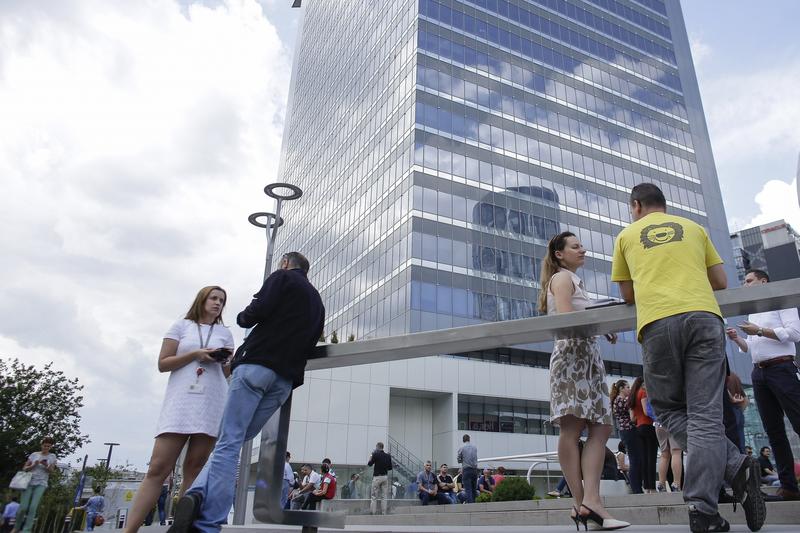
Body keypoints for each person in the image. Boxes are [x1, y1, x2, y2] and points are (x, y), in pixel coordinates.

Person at [611, 183, 763, 533]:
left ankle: (736, 467)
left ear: (636, 206)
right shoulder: (694, 229)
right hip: (704, 318)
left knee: (664, 409)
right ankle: (704, 507)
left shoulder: (626, 236)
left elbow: (628, 292)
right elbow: (721, 280)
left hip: (658, 323)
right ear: (665, 206)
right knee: (707, 416)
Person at [169, 252, 325, 533]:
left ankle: (207, 523)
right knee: (236, 441)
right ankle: (196, 495)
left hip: (257, 367)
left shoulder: (282, 277)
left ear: (286, 264)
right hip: (284, 382)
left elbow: (254, 313)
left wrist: (242, 316)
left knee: (228, 441)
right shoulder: (317, 302)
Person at [126, 286, 234, 533]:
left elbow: (226, 372)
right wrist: (196, 354)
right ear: (202, 299)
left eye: (222, 301)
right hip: (181, 401)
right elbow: (163, 363)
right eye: (214, 298)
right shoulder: (181, 326)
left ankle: (183, 527)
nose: (218, 304)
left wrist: (226, 360)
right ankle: (129, 529)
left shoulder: (224, 333)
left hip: (211, 400)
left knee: (195, 468)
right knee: (158, 467)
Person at [539, 232, 629, 530]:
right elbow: (568, 319)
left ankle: (588, 502)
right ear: (559, 254)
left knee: (600, 426)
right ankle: (585, 502)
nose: (583, 250)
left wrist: (601, 326)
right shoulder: (562, 279)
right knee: (573, 426)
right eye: (575, 246)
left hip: (587, 358)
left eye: (582, 245)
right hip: (572, 359)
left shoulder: (574, 281)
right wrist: (598, 323)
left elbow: (579, 316)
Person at [726, 268, 800, 501]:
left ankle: (789, 484)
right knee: (774, 432)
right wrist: (739, 339)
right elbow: (753, 347)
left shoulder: (781, 302)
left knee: (798, 422)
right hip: (760, 372)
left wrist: (758, 330)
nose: (746, 285)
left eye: (749, 281)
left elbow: (795, 333)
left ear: (763, 281)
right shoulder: (755, 310)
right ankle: (789, 486)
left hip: (782, 368)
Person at [13, 437, 58, 533]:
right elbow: (24, 468)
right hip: (28, 482)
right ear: (41, 445)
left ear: (51, 447)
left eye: (48, 446)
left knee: (33, 507)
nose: (46, 447)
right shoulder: (34, 455)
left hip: (41, 483)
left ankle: (26, 530)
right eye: (45, 445)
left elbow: (52, 471)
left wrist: (46, 465)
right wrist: (34, 465)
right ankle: (16, 527)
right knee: (23, 507)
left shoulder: (52, 456)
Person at [611, 379, 642, 493]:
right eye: (627, 387)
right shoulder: (622, 400)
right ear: (621, 389)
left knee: (634, 458)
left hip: (624, 431)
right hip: (629, 430)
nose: (630, 389)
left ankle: (637, 488)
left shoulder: (616, 400)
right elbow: (632, 417)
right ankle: (637, 488)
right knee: (635, 459)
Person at [629, 377, 657, 493]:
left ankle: (646, 487)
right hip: (648, 426)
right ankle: (651, 487)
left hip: (639, 427)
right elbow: (646, 411)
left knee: (644, 458)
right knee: (651, 458)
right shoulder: (643, 393)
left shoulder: (632, 397)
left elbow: (632, 418)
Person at [655, 423, 682, 493]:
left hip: (659, 424)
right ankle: (676, 484)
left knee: (664, 455)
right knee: (676, 452)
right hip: (674, 422)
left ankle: (661, 484)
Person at [725, 373, 749, 453]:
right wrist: (739, 412)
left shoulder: (720, 374)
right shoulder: (735, 376)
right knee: (740, 444)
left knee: (729, 446)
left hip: (727, 411)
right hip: (738, 411)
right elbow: (745, 399)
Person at [368, 441, 392, 515]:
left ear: (377, 447)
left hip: (377, 477)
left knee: (374, 496)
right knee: (384, 496)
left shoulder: (375, 454)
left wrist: (371, 455)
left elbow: (369, 464)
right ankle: (384, 512)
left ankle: (373, 512)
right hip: (385, 477)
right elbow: (390, 468)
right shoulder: (388, 456)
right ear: (382, 447)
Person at [456, 434, 478, 503]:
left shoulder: (462, 447)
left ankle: (470, 505)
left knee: (468, 489)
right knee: (474, 489)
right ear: (469, 439)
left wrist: (462, 460)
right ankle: (474, 503)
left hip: (466, 470)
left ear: (463, 440)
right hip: (474, 470)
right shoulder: (474, 447)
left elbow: (458, 459)